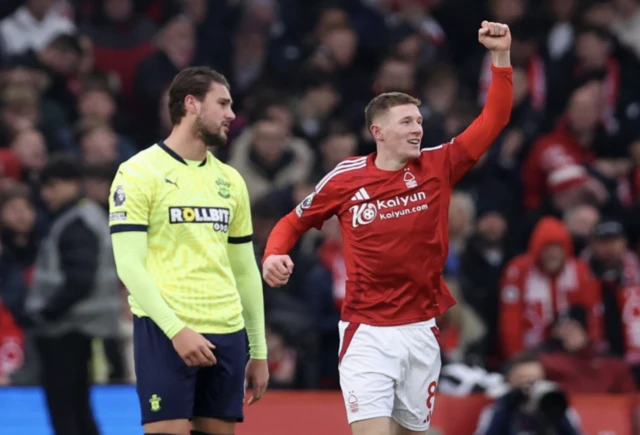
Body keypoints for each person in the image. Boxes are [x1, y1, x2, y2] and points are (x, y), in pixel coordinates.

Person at [262, 21, 514, 435]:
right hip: (367, 333)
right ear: (378, 132)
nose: (417, 128)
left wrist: (501, 57)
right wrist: (274, 253)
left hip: (420, 332)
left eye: (418, 121)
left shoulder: (439, 164)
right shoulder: (346, 177)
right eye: (406, 123)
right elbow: (293, 221)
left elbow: (495, 118)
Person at [109, 67, 268, 435]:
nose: (232, 114)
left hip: (226, 332)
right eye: (223, 103)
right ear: (191, 104)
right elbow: (129, 265)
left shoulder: (230, 180)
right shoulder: (138, 173)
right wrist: (176, 331)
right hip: (166, 330)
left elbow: (245, 269)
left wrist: (257, 350)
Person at [26, 155, 121, 435]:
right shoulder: (86, 216)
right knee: (79, 406)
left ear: (72, 184)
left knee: (65, 409)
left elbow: (79, 280)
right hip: (82, 328)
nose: (46, 194)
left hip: (66, 328)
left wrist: (45, 312)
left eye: (52, 185)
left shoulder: (76, 223)